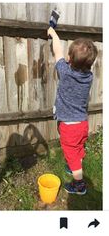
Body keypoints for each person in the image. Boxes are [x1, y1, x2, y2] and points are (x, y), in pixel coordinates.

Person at [48, 26, 98, 195]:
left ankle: (79, 185)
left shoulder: (66, 72)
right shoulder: (88, 76)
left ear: (69, 59)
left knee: (72, 155)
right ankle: (74, 165)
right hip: (82, 123)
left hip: (70, 126)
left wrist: (53, 33)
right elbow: (64, 57)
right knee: (78, 148)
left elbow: (57, 51)